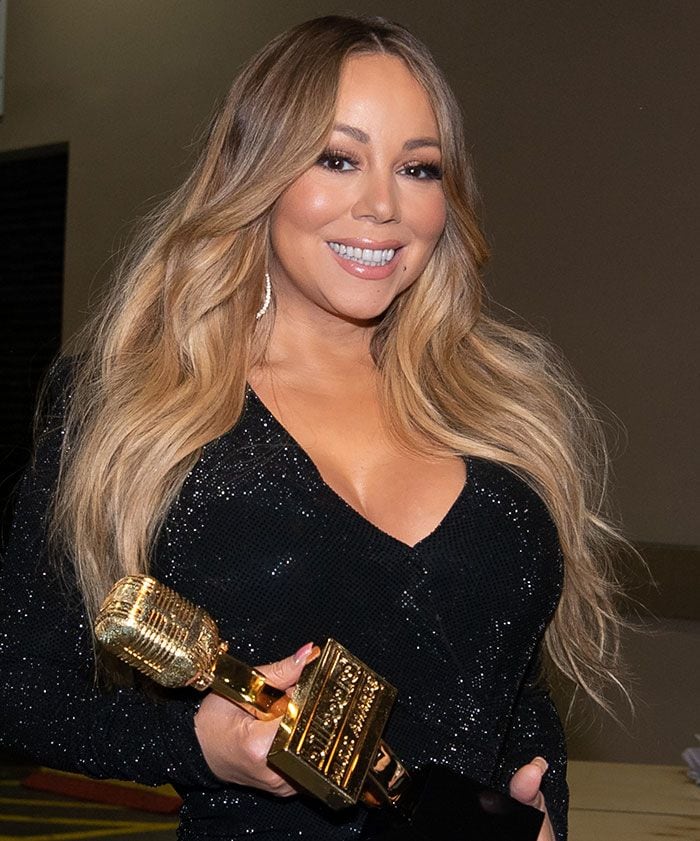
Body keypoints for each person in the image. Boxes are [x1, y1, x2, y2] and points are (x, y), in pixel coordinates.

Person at [0, 15, 627, 841]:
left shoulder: (501, 411)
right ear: (256, 173)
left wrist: (543, 815)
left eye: (418, 168)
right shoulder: (138, 408)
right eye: (338, 158)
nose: (382, 205)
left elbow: (517, 699)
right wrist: (200, 745)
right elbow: (21, 687)